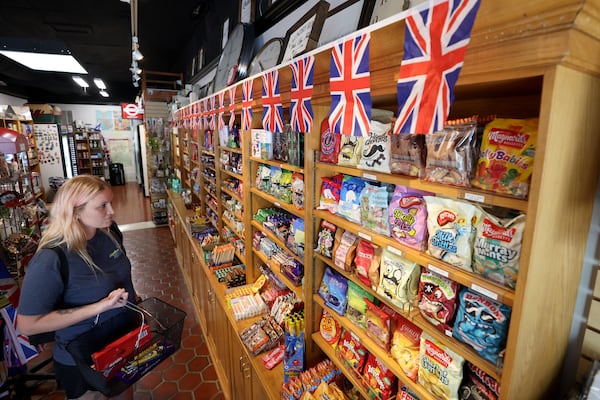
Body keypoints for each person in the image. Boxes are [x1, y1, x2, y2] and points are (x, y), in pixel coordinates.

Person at [18, 175, 136, 400]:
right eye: (102, 206)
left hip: (121, 342)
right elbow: (28, 325)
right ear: (75, 211)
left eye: (110, 203)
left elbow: (121, 275)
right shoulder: (51, 258)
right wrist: (99, 307)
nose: (112, 211)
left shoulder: (109, 234)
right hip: (82, 360)